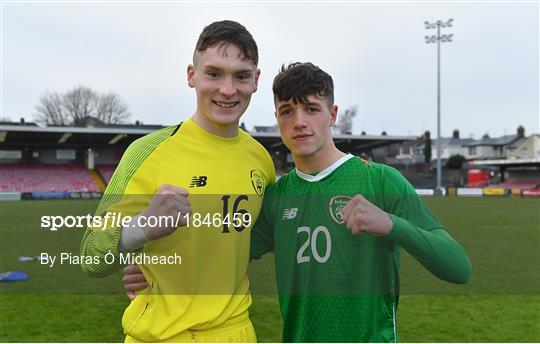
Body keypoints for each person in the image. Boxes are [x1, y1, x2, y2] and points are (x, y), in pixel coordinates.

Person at [124, 62, 472, 342]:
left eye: (311, 109)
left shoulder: (381, 180)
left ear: (332, 114)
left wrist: (393, 226)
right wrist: (153, 271)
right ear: (277, 119)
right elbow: (221, 254)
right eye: (287, 111)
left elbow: (459, 268)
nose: (299, 122)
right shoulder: (276, 198)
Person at [80, 20, 275, 342]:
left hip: (235, 333)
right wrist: (139, 231)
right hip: (159, 335)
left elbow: (250, 240)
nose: (227, 90)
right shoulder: (146, 151)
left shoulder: (260, 159)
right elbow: (91, 258)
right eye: (214, 73)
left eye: (240, 75)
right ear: (191, 75)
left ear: (255, 80)